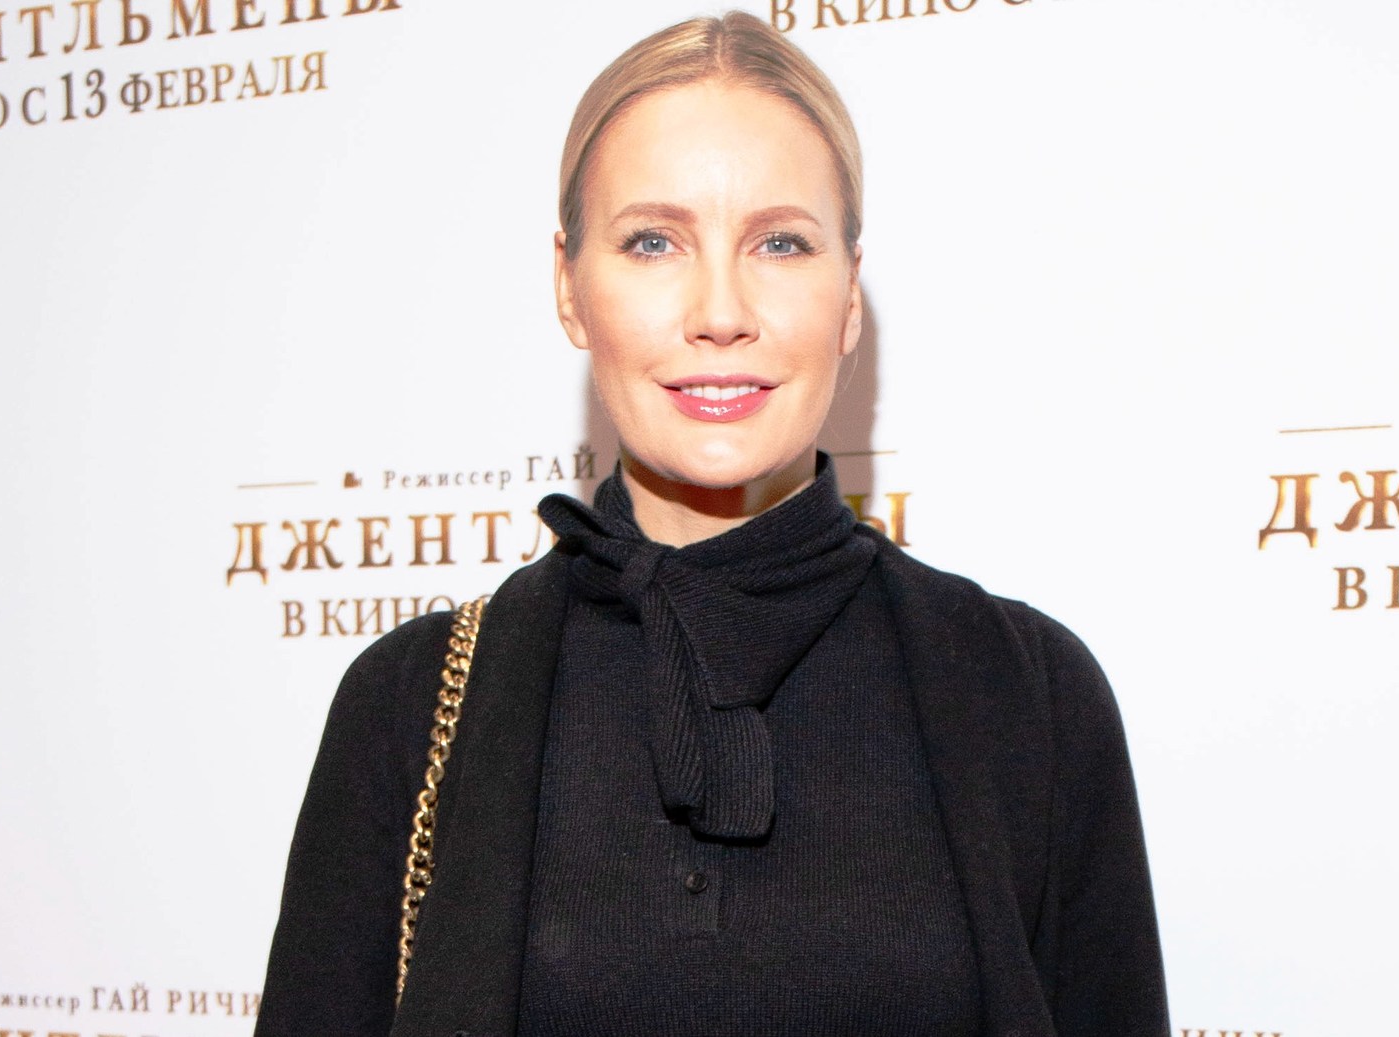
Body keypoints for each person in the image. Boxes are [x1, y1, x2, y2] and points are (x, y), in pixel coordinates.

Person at [255, 12, 1167, 1036]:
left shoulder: (1028, 691)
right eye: (654, 241)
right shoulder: (411, 703)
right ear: (569, 286)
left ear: (849, 295)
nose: (721, 310)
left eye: (780, 242)